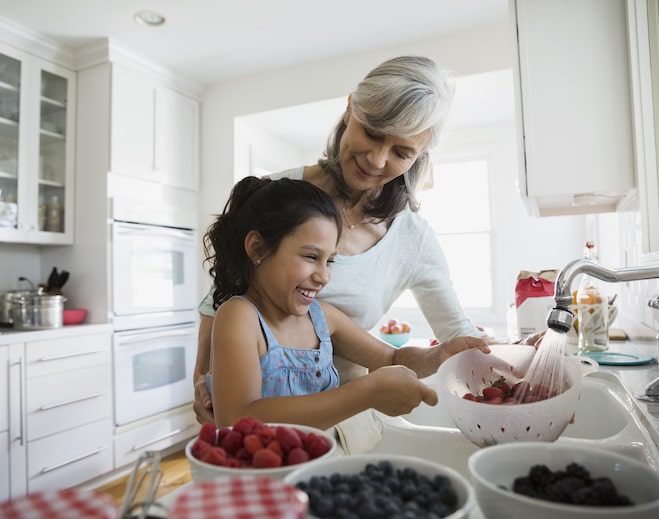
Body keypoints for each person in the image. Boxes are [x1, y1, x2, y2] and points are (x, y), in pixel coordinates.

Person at [194, 55, 537, 425]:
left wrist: (502, 355)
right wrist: (203, 377)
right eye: (372, 133)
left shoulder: (409, 242)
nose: (376, 160)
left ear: (419, 156)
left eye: (402, 152)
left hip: (344, 419)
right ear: (350, 109)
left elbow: (444, 336)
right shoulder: (280, 198)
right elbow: (224, 291)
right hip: (257, 419)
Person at [203, 175, 490, 429]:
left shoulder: (321, 318)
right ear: (256, 248)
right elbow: (238, 417)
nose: (324, 276)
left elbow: (390, 359)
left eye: (330, 261)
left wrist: (439, 356)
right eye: (311, 257)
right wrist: (365, 393)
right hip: (261, 480)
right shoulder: (240, 317)